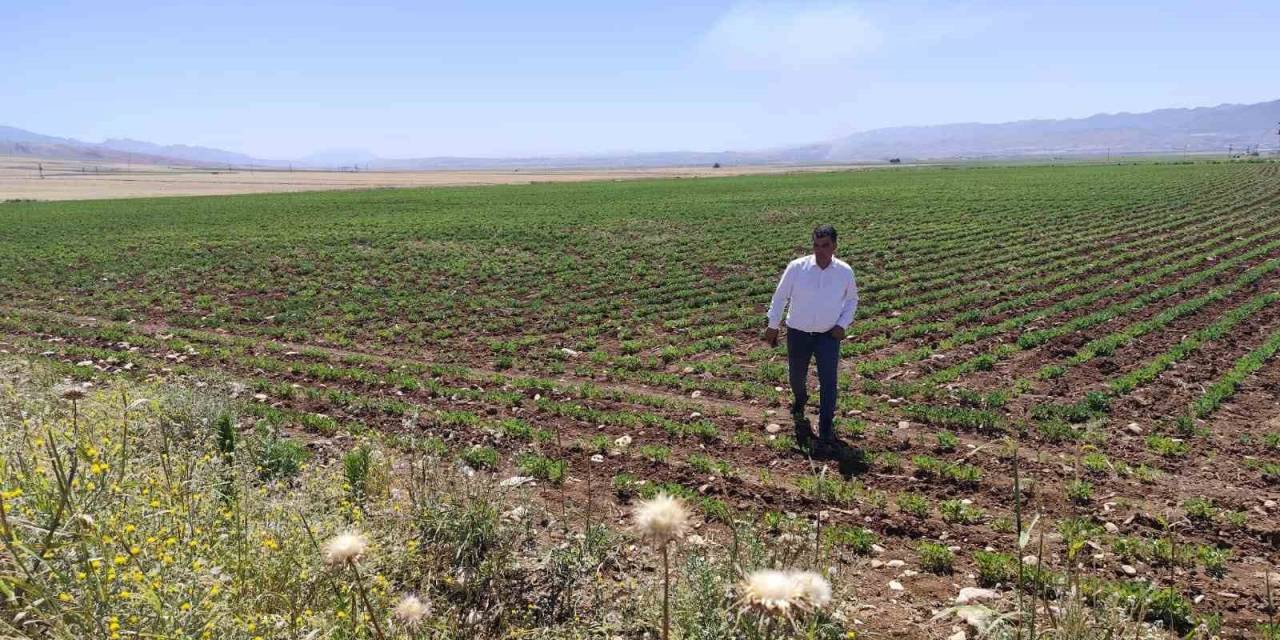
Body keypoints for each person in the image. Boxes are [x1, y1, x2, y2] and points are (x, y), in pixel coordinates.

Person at [764, 225, 859, 457]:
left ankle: (826, 423)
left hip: (828, 335)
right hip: (798, 332)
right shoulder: (797, 268)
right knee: (796, 375)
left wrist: (842, 325)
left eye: (825, 245)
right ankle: (800, 398)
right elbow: (780, 297)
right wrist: (772, 325)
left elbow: (852, 301)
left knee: (829, 380)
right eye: (816, 245)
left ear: (835, 246)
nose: (820, 250)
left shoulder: (844, 271)